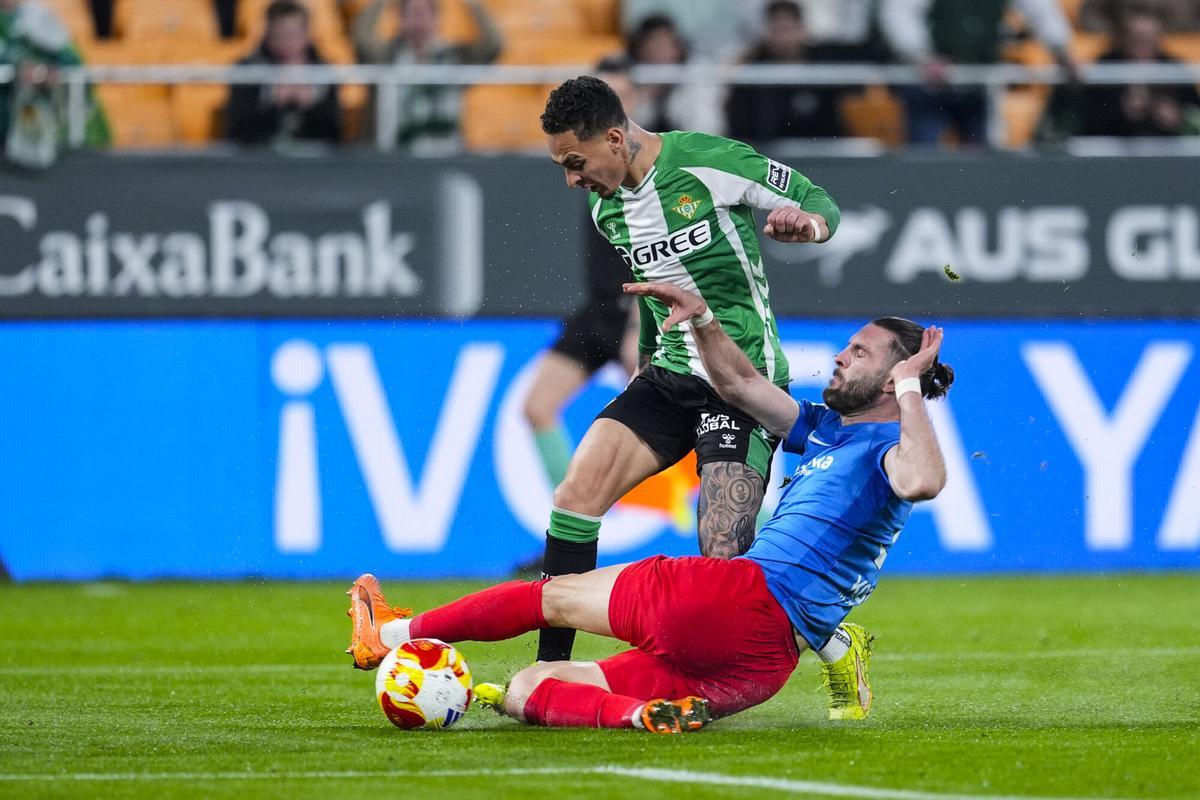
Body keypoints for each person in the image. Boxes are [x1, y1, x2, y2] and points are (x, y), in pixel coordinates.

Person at [345, 279, 952, 730]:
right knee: (529, 687)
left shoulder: (890, 447)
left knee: (551, 596)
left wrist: (908, 390)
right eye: (848, 346)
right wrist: (703, 321)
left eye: (862, 353)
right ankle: (641, 716)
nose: (842, 356)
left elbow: (924, 482)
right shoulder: (826, 428)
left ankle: (389, 632)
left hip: (736, 602)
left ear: (897, 378)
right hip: (761, 666)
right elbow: (741, 387)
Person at [533, 75, 841, 663]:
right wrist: (644, 361)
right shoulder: (607, 211)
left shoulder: (708, 162)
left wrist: (810, 226)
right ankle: (551, 669)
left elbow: (818, 201)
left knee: (720, 559)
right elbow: (656, 296)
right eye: (562, 168)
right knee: (576, 496)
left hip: (740, 381)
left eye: (575, 162)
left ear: (616, 138)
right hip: (669, 376)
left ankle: (827, 637)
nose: (572, 179)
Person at [524, 57, 645, 490]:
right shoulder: (588, 161)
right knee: (538, 406)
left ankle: (757, 530)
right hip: (599, 309)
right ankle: (563, 530)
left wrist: (639, 320)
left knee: (680, 429)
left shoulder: (649, 167)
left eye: (621, 97)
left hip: (644, 311)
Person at [879, 0, 1077, 146]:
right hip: (929, 84)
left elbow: (1040, 9)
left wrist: (1060, 49)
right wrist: (923, 56)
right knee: (923, 155)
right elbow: (899, 13)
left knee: (982, 159)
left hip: (980, 83)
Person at [351, 0, 502, 154]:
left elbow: (493, 44)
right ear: (401, 20)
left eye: (424, 14)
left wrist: (472, 4)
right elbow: (362, 39)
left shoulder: (454, 57)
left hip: (445, 155)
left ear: (437, 19)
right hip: (394, 157)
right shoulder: (388, 55)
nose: (419, 21)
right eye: (412, 14)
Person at [1040, 5, 1200, 139]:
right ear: (1123, 38)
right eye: (1135, 39)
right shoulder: (1105, 66)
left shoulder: (1174, 68)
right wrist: (1122, 110)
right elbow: (1086, 119)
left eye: (1146, 40)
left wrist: (1178, 118)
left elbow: (1195, 116)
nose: (1141, 46)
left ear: (1158, 38)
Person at [725, 0, 852, 142]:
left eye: (788, 29)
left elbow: (839, 120)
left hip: (819, 153)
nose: (783, 39)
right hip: (767, 154)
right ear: (767, 32)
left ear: (802, 29)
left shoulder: (825, 67)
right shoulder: (752, 71)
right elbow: (739, 123)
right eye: (777, 30)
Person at [0, 0, 109, 162]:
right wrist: (18, 68)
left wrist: (49, 71)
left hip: (41, 105)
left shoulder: (36, 15)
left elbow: (69, 58)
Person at [225, 0, 341, 147]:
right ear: (267, 33)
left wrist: (311, 105)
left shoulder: (324, 73)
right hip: (260, 160)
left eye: (293, 34)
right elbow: (238, 133)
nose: (286, 42)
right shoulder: (247, 71)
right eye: (278, 35)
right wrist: (272, 100)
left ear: (307, 35)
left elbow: (334, 138)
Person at [625, 13, 725, 135]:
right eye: (653, 45)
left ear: (678, 47)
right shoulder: (628, 75)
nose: (660, 52)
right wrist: (645, 97)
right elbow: (622, 130)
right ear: (639, 49)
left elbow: (707, 129)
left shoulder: (696, 75)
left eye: (665, 44)